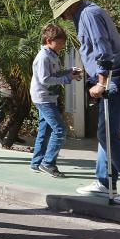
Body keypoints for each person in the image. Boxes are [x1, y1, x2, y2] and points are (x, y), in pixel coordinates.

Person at [51, 0, 120, 203]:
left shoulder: (88, 14)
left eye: (62, 13)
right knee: (107, 132)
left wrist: (102, 81)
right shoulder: (88, 12)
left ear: (68, 6)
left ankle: (113, 182)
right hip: (115, 77)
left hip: (114, 78)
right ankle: (104, 182)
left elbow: (102, 47)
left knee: (108, 135)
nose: (64, 18)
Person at [30, 23, 81, 177]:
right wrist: (67, 78)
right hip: (43, 98)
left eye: (62, 42)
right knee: (60, 129)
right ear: (48, 41)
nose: (62, 45)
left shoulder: (52, 55)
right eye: (59, 42)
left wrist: (69, 72)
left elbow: (56, 74)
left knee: (45, 131)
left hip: (49, 97)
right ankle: (48, 163)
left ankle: (36, 163)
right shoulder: (44, 57)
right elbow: (45, 79)